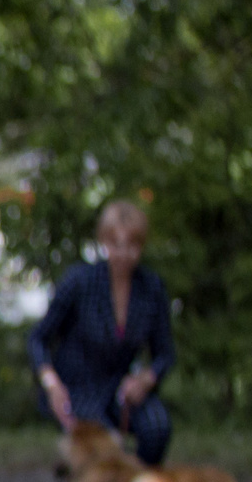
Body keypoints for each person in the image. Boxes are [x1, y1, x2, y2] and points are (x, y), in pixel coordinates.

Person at [30, 198, 175, 465]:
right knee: (102, 444)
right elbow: (38, 338)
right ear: (104, 242)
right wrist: (51, 384)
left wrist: (147, 379)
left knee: (157, 427)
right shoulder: (80, 282)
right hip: (77, 388)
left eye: (132, 245)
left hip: (121, 389)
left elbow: (164, 354)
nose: (124, 254)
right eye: (116, 244)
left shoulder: (151, 288)